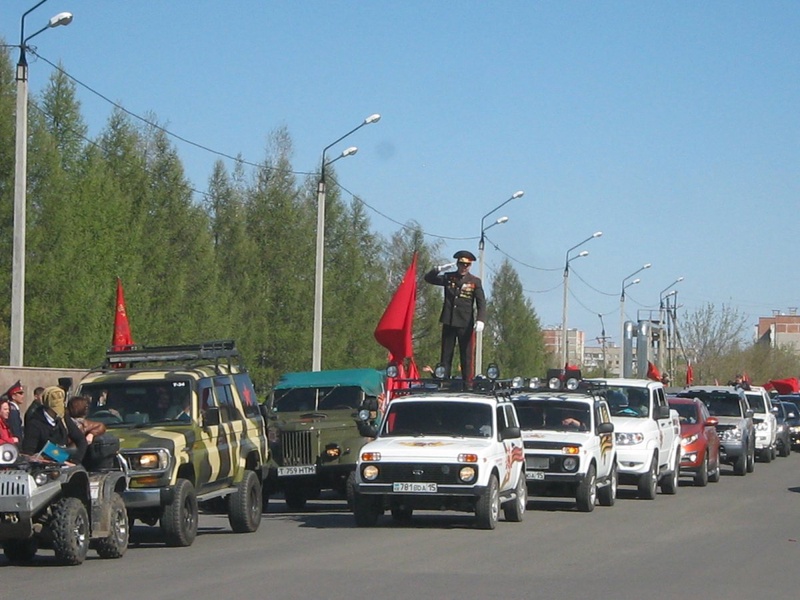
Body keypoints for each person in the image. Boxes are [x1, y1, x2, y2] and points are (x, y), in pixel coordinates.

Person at [424, 250, 486, 380]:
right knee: (446, 354)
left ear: (470, 266)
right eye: (461, 264)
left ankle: (467, 383)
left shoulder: (475, 281)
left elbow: (481, 303)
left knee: (466, 355)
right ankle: (444, 381)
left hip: (465, 323)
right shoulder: (449, 277)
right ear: (457, 264)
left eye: (466, 265)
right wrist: (438, 269)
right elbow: (428, 279)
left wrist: (481, 319)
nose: (464, 267)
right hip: (449, 321)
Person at [21, 386, 87, 464]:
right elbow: (28, 453)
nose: (60, 409)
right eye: (56, 406)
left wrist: (75, 461)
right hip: (43, 469)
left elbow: (81, 440)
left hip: (64, 464)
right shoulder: (34, 423)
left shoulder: (64, 418)